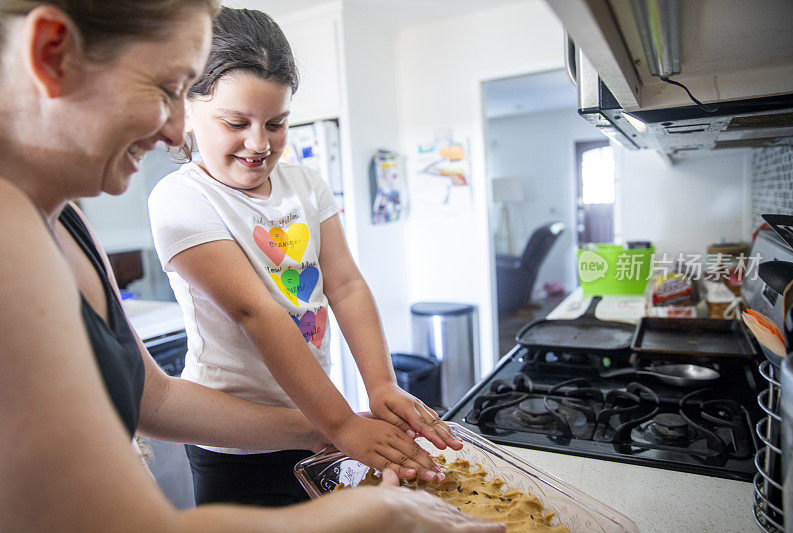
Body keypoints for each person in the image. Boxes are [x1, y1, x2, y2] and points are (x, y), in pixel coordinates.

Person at [0, 1, 505, 531]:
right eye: (167, 88)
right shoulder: (46, 230)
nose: (174, 134)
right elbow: (256, 314)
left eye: (276, 122)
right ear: (52, 53)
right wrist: (365, 497)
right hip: (238, 459)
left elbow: (156, 397)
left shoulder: (64, 220)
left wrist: (338, 419)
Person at [148, 6, 461, 507]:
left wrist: (379, 383)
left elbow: (346, 285)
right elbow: (257, 312)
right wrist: (339, 422)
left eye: (276, 123)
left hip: (318, 421)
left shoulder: (306, 184)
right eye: (235, 122)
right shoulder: (181, 198)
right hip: (238, 442)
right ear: (189, 108)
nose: (258, 143)